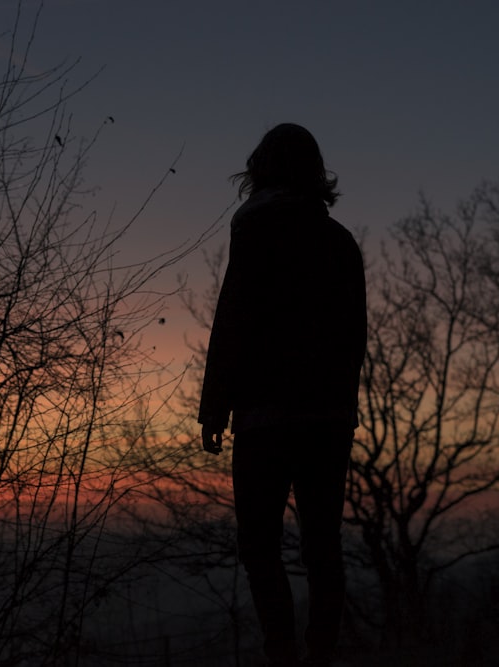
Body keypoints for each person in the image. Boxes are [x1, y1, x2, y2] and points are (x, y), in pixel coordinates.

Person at [198, 123, 366, 667]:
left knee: (260, 547)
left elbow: (234, 320)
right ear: (316, 174)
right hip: (325, 418)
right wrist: (342, 409)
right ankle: (319, 655)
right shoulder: (339, 240)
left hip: (263, 417)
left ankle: (281, 654)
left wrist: (215, 405)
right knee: (323, 546)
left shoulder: (253, 229)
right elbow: (353, 338)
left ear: (259, 169)